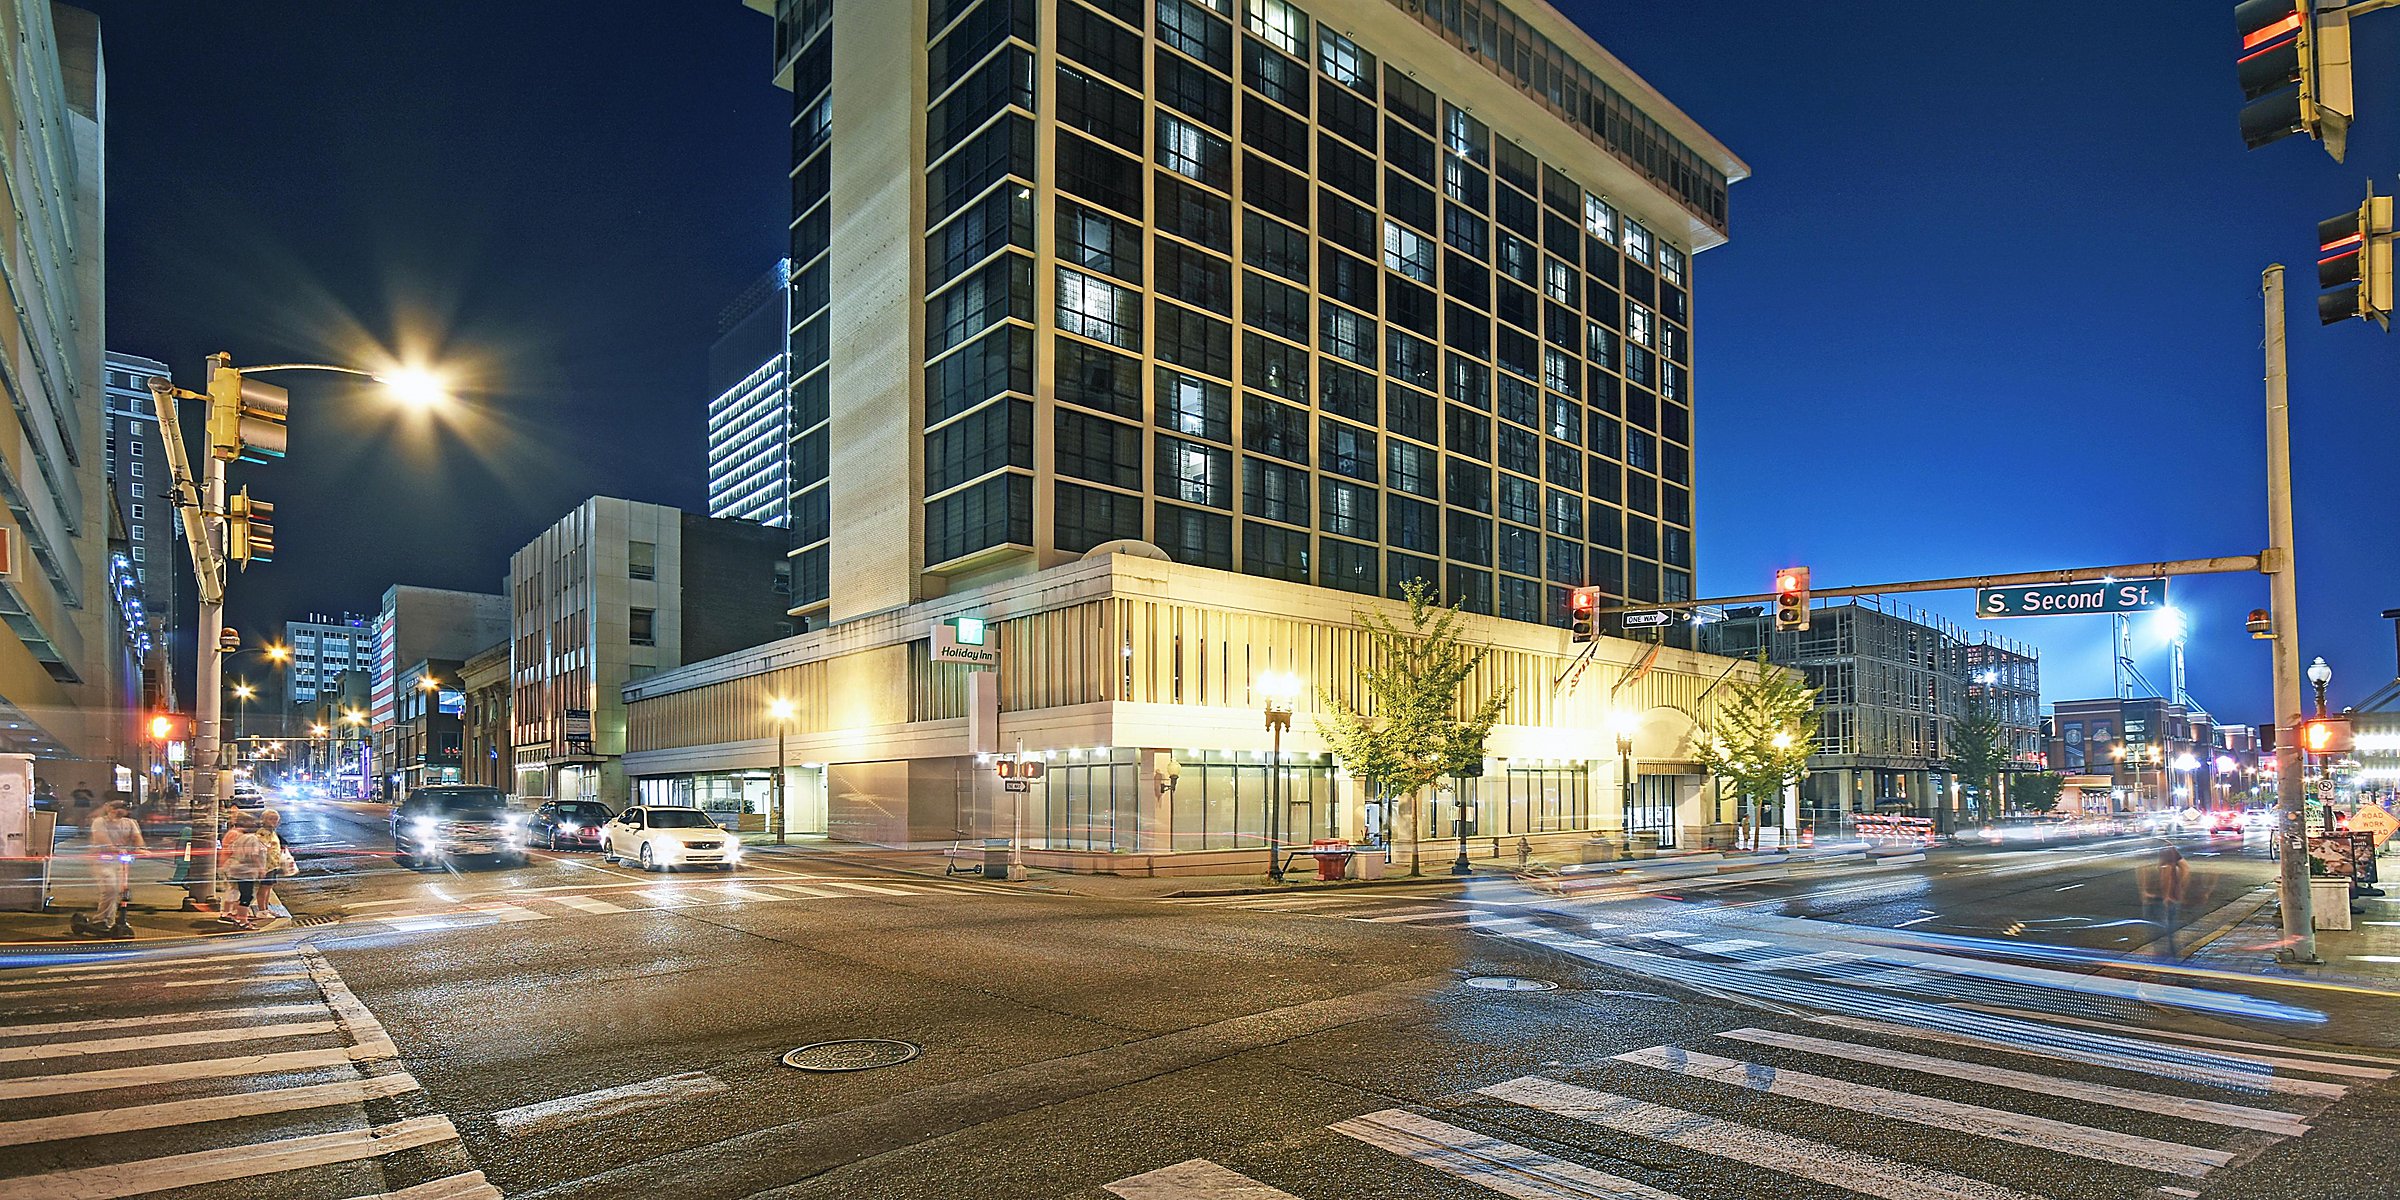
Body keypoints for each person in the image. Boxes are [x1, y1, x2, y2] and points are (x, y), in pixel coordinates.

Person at [76, 800, 144, 938]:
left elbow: (137, 838)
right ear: (109, 809)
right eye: (116, 808)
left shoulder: (130, 823)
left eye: (123, 809)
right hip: (102, 860)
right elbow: (102, 839)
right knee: (110, 889)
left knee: (119, 891)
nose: (119, 811)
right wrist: (115, 849)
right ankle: (101, 920)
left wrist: (140, 848)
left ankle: (109, 921)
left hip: (120, 862)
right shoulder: (99, 822)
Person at [2137, 842, 2192, 958]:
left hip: (2156, 898)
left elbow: (2159, 871)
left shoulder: (2150, 847)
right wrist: (2179, 888)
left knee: (2157, 935)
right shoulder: (2168, 847)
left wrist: (2145, 892)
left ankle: (2164, 960)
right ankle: (2173, 959)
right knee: (2170, 933)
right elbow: (2185, 868)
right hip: (2171, 898)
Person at [219, 814, 268, 928]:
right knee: (246, 896)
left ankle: (236, 916)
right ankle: (243, 921)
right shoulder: (252, 839)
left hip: (236, 870)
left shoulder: (241, 837)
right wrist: (261, 869)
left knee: (238, 893)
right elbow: (254, 855)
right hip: (246, 872)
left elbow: (232, 850)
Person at [255, 810, 296, 920]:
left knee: (269, 886)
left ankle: (266, 909)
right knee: (264, 887)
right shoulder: (263, 833)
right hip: (266, 865)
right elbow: (261, 848)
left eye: (275, 819)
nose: (273, 821)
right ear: (264, 820)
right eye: (270, 819)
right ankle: (262, 910)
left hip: (272, 865)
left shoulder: (272, 832)